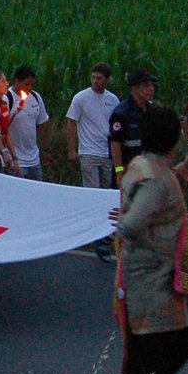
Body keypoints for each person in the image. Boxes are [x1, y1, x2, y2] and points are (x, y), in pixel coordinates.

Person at [113, 104, 188, 374]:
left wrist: (181, 168)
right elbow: (134, 222)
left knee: (155, 346)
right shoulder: (155, 176)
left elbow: (164, 188)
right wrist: (128, 227)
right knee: (174, 341)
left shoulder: (144, 165)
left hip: (151, 273)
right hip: (154, 276)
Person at [67, 63, 120, 261]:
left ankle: (104, 233)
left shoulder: (112, 99)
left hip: (106, 153)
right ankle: (97, 238)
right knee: (94, 191)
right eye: (94, 77)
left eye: (100, 78)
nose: (96, 81)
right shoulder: (81, 98)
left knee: (106, 192)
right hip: (88, 152)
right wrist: (72, 150)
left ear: (107, 79)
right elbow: (71, 123)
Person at [3, 66, 51, 180]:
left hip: (34, 158)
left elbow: (42, 124)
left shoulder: (35, 97)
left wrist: (45, 150)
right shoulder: (6, 99)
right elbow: (2, 127)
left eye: (31, 85)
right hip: (17, 159)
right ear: (16, 81)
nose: (29, 88)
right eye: (26, 84)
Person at [108, 69, 156, 182]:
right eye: (146, 85)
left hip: (148, 171)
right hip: (128, 171)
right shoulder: (122, 113)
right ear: (134, 88)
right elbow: (115, 145)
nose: (151, 89)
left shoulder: (153, 110)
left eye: (152, 85)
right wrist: (119, 172)